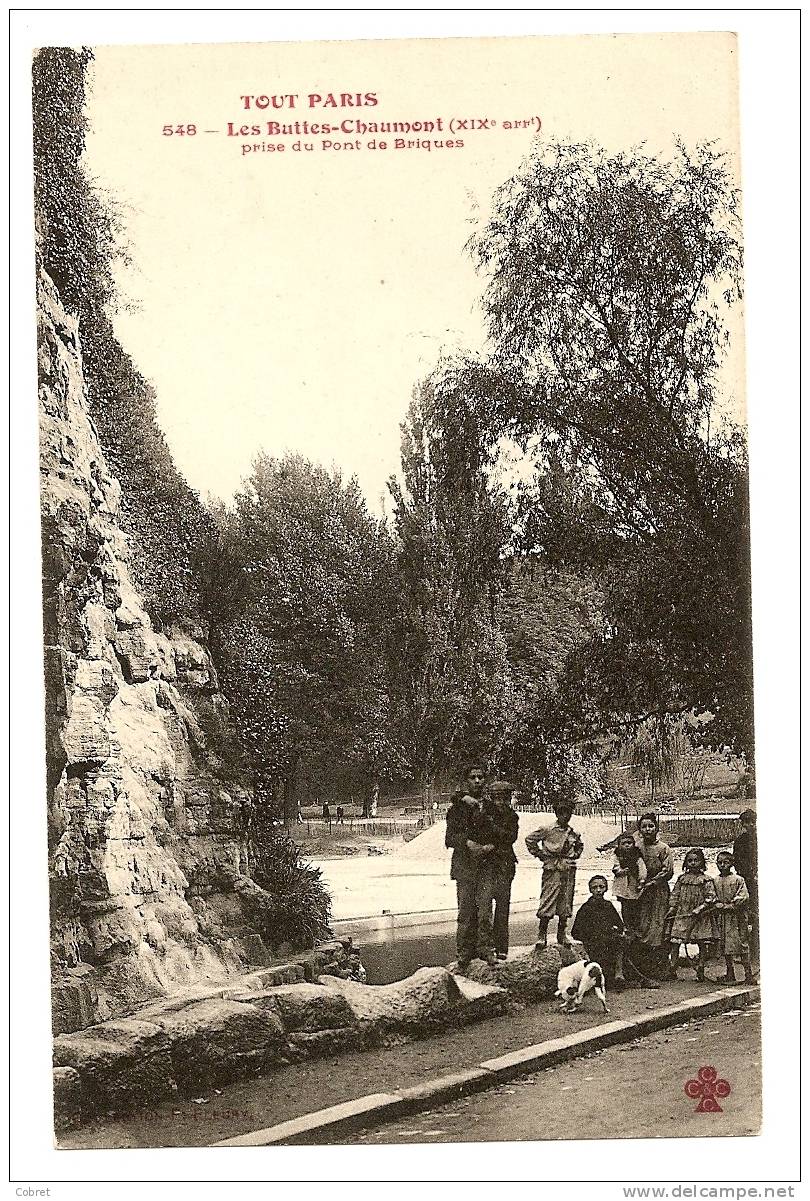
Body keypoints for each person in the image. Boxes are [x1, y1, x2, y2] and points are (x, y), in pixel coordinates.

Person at [445, 764, 497, 971]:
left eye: (480, 777)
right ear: (466, 781)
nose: (477, 781)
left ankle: (485, 948)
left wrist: (489, 846)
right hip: (465, 866)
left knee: (485, 910)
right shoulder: (457, 809)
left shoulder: (493, 808)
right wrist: (467, 842)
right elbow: (449, 838)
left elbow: (502, 834)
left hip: (486, 866)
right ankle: (464, 952)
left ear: (485, 780)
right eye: (472, 777)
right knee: (465, 912)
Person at [525, 798, 584, 948]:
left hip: (567, 868)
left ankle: (561, 934)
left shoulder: (573, 832)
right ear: (557, 814)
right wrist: (539, 854)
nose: (565, 816)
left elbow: (579, 846)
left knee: (565, 902)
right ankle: (542, 934)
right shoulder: (548, 829)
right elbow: (530, 839)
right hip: (552, 868)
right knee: (548, 899)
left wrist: (575, 855)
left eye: (568, 813)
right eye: (562, 813)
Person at [666, 847, 718, 982]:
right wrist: (672, 907)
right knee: (675, 942)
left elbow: (711, 897)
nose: (693, 863)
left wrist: (700, 908)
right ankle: (672, 968)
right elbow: (675, 894)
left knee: (701, 942)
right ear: (685, 863)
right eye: (690, 861)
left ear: (702, 862)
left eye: (696, 860)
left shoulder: (706, 880)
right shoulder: (682, 879)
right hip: (683, 914)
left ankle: (700, 968)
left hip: (699, 916)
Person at [485, 780, 520, 960]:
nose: (500, 801)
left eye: (503, 798)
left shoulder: (512, 817)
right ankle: (486, 946)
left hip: (504, 864)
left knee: (502, 906)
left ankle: (502, 947)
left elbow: (510, 837)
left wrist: (493, 832)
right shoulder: (484, 814)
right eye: (496, 798)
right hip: (487, 865)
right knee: (484, 906)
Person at [571, 875, 626, 987]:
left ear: (606, 888)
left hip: (609, 941)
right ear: (590, 890)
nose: (598, 890)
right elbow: (575, 932)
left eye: (601, 887)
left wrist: (615, 930)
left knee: (621, 941)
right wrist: (590, 935)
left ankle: (619, 973)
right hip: (593, 944)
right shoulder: (585, 908)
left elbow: (620, 924)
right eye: (595, 887)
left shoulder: (608, 905)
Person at [714, 850, 756, 984]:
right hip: (723, 918)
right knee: (725, 945)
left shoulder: (738, 879)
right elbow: (711, 895)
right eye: (719, 863)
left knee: (742, 944)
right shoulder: (715, 880)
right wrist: (717, 904)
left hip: (736, 918)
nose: (722, 865)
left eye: (725, 863)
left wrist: (732, 905)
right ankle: (730, 972)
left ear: (731, 864)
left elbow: (744, 896)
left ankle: (748, 974)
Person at [733, 809, 758, 957]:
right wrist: (749, 874)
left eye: (752, 822)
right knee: (746, 913)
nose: (750, 825)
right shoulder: (740, 841)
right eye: (747, 823)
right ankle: (746, 948)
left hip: (758, 880)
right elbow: (738, 861)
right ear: (742, 824)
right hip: (747, 881)